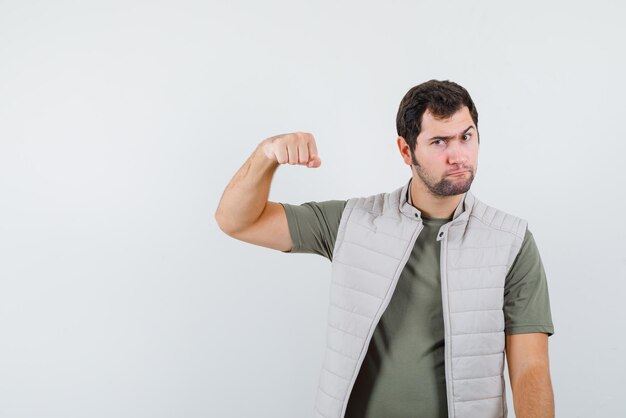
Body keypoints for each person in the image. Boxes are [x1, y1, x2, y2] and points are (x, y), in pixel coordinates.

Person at [215, 80, 555, 418]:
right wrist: (266, 155)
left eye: (466, 137)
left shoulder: (511, 241)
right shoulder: (352, 221)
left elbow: (530, 368)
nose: (457, 156)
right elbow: (238, 221)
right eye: (439, 142)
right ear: (406, 151)